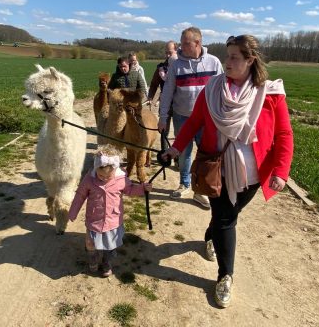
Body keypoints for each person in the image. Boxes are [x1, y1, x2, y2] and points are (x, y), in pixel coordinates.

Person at [162, 34, 293, 308]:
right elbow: (193, 121)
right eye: (227, 55)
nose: (228, 62)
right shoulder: (213, 89)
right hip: (216, 167)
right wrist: (176, 148)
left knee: (227, 215)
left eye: (234, 57)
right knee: (225, 219)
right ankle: (225, 276)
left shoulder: (270, 95)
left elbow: (284, 134)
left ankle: (211, 236)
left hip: (253, 176)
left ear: (250, 61)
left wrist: (281, 171)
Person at [158, 27, 223, 208]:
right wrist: (163, 117)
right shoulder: (176, 65)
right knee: (183, 152)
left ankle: (201, 190)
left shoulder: (214, 63)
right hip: (182, 117)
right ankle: (184, 183)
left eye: (186, 43)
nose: (181, 47)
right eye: (181, 43)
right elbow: (167, 93)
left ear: (197, 43)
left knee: (205, 154)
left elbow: (222, 91)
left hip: (206, 119)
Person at [68, 144, 152, 277]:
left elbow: (130, 189)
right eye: (101, 175)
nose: (104, 179)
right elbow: (80, 195)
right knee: (90, 243)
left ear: (116, 169)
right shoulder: (89, 179)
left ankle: (107, 263)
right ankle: (93, 259)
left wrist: (142, 188)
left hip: (113, 220)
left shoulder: (121, 179)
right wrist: (73, 212)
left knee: (110, 246)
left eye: (108, 176)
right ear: (96, 169)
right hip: (94, 219)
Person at [148, 40, 178, 150]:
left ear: (176, 51)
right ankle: (165, 154)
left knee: (179, 132)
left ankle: (177, 156)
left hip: (179, 104)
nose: (167, 55)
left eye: (170, 52)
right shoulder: (160, 68)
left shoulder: (181, 67)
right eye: (166, 52)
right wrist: (150, 96)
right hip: (165, 104)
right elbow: (154, 83)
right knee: (163, 130)